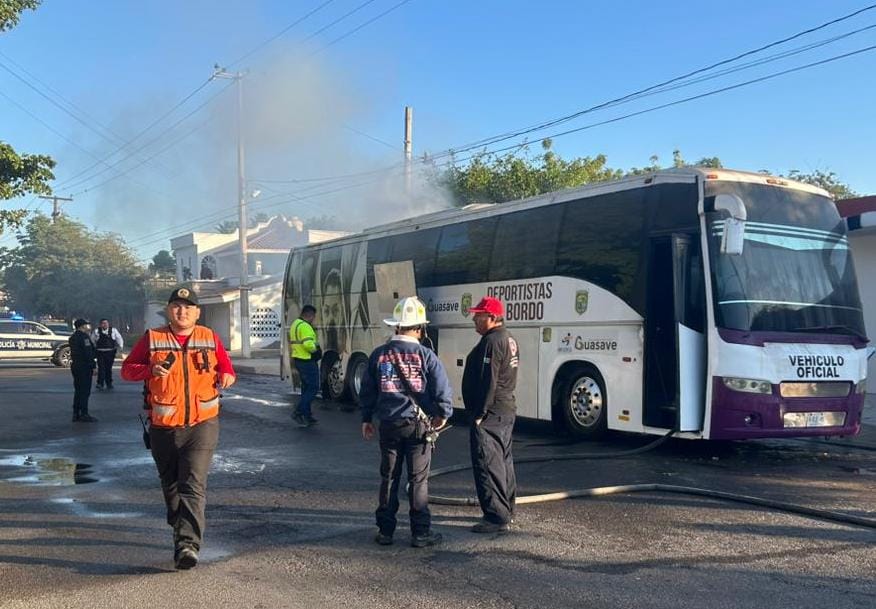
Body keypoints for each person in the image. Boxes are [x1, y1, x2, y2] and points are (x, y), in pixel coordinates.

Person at [121, 286, 236, 570]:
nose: (182, 311)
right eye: (176, 306)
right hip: (163, 427)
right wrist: (149, 370)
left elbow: (227, 368)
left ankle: (187, 545)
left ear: (197, 312)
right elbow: (127, 369)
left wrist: (226, 374)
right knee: (171, 486)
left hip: (203, 424)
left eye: (188, 307)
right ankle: (179, 521)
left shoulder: (209, 338)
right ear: (169, 311)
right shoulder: (153, 338)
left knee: (193, 484)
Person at [360, 296, 453, 548]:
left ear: (396, 326)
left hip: (389, 424)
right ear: (420, 329)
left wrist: (366, 418)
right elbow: (442, 390)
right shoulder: (426, 355)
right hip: (418, 425)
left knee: (389, 477)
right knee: (418, 480)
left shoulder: (379, 355)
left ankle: (385, 531)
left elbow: (368, 391)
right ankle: (420, 533)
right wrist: (442, 414)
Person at [462, 296, 519, 534]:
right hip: (505, 409)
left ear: (492, 317)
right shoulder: (508, 338)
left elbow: (489, 380)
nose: (474, 319)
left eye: (479, 315)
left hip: (491, 413)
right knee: (503, 461)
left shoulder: (492, 342)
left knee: (488, 462)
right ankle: (507, 509)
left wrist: (480, 413)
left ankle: (496, 516)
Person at [289, 305, 321, 427]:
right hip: (307, 360)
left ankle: (307, 415)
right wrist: (316, 351)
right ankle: (298, 411)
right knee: (313, 388)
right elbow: (308, 345)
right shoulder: (305, 326)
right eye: (313, 317)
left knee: (306, 388)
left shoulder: (295, 324)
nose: (313, 319)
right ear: (310, 315)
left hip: (298, 359)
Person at [69, 318, 98, 423]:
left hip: (75, 366)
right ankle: (84, 414)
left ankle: (76, 413)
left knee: (78, 390)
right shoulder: (84, 337)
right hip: (84, 367)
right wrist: (93, 366)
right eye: (86, 325)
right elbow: (88, 353)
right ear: (82, 326)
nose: (88, 327)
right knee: (85, 391)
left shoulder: (72, 337)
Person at [91, 318, 123, 390]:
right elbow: (92, 340)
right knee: (101, 368)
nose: (105, 324)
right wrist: (93, 349)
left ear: (108, 324)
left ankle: (109, 383)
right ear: (100, 324)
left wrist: (121, 347)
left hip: (110, 353)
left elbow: (119, 338)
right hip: (100, 352)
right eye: (103, 323)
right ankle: (100, 383)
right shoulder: (96, 331)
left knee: (108, 368)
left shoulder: (113, 331)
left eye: (106, 323)